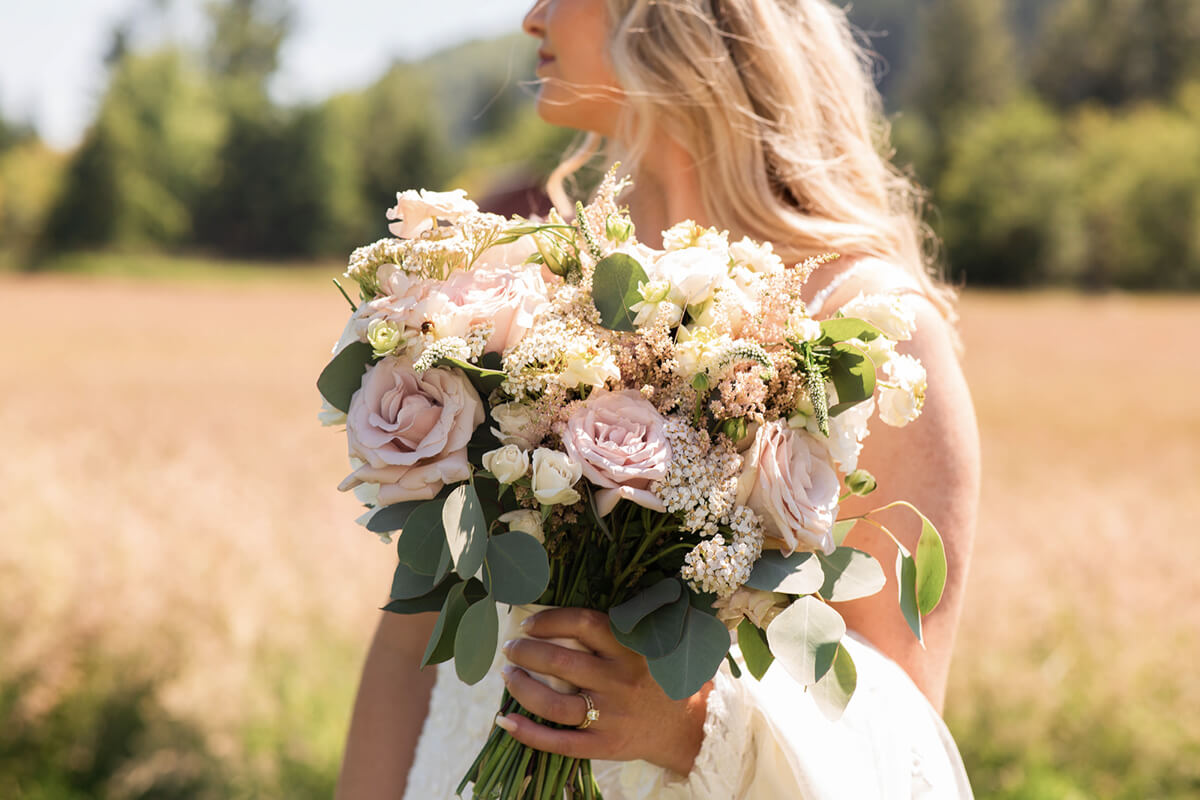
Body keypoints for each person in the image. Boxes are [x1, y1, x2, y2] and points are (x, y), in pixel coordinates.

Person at [336, 0, 981, 797]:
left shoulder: (869, 333)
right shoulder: (521, 301)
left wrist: (695, 723)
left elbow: (903, 735)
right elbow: (413, 646)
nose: (533, 16)